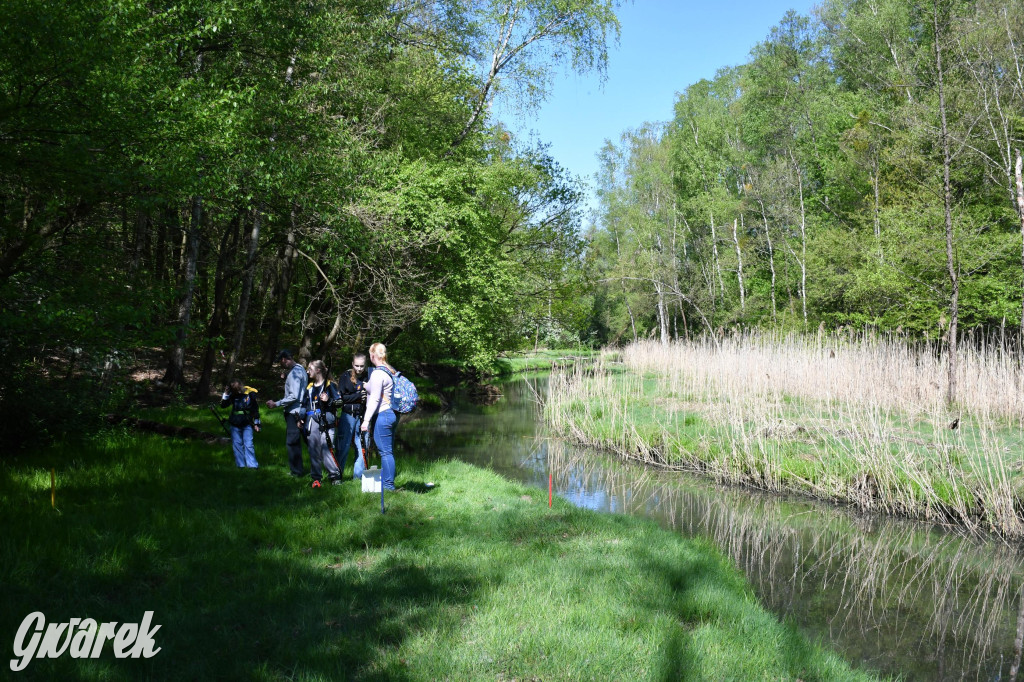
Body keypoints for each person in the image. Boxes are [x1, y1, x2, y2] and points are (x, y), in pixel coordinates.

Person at [362, 342, 400, 491]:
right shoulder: (389, 370)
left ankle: (388, 486)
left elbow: (376, 398)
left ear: (372, 355)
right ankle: (388, 483)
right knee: (388, 451)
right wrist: (366, 386)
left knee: (385, 452)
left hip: (383, 415)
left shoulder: (377, 373)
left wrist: (366, 420)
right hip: (392, 414)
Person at [298, 359, 342, 488]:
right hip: (311, 422)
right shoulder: (310, 388)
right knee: (313, 450)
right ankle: (316, 478)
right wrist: (300, 418)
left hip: (326, 421)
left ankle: (334, 476)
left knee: (326, 449)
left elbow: (339, 402)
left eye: (309, 369)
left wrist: (328, 400)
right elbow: (305, 405)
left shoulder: (330, 386)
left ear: (318, 370)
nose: (307, 371)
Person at [266, 349, 308, 477]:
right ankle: (317, 469)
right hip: (300, 410)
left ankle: (296, 472)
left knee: (292, 443)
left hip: (294, 412)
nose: (280, 364)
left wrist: (276, 403)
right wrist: (286, 376)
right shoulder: (299, 369)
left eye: (280, 361)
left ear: (284, 359)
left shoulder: (295, 372)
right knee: (308, 441)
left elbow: (294, 395)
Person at [334, 353, 369, 481]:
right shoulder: (345, 376)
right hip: (348, 415)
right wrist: (359, 396)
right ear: (352, 364)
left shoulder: (368, 375)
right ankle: (337, 475)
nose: (359, 368)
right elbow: (342, 398)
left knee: (362, 446)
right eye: (357, 365)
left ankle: (358, 478)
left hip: (363, 416)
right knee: (343, 446)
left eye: (362, 366)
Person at [220, 379, 260, 468]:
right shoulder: (232, 395)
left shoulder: (250, 394)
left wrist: (257, 423)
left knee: (248, 444)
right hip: (234, 422)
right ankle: (240, 465)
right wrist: (226, 393)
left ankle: (253, 466)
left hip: (247, 422)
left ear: (241, 386)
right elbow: (223, 405)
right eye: (234, 390)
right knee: (237, 444)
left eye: (237, 389)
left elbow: (255, 409)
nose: (236, 391)